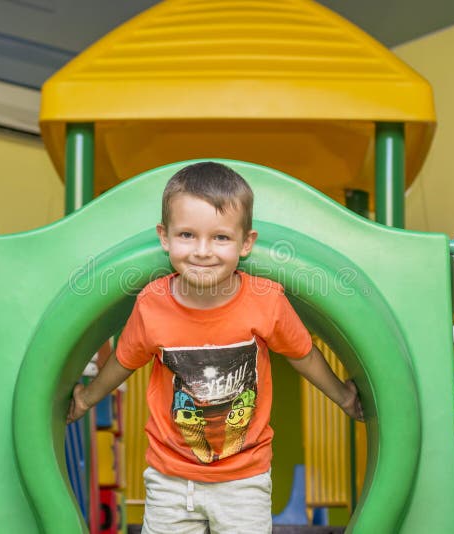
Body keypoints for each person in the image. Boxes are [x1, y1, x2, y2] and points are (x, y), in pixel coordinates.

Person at [67, 161, 363, 533]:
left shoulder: (265, 301)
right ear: (164, 236)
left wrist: (344, 397)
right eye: (187, 235)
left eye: (220, 237)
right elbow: (123, 362)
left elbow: (302, 355)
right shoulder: (152, 303)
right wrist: (84, 400)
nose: (202, 251)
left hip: (244, 477)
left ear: (246, 243)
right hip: (170, 476)